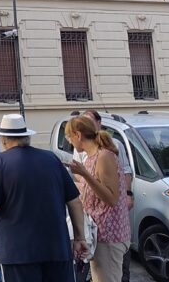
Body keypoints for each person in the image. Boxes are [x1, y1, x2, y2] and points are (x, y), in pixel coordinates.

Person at [0, 114, 88, 282]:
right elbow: (74, 201)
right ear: (27, 137)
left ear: (3, 140)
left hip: (18, 253)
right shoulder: (51, 158)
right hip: (56, 249)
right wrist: (79, 238)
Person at [66, 116, 131, 282]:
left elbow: (111, 198)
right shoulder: (91, 158)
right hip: (99, 235)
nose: (70, 142)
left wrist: (85, 175)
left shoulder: (104, 157)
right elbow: (92, 191)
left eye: (69, 137)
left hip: (109, 236)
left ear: (78, 135)